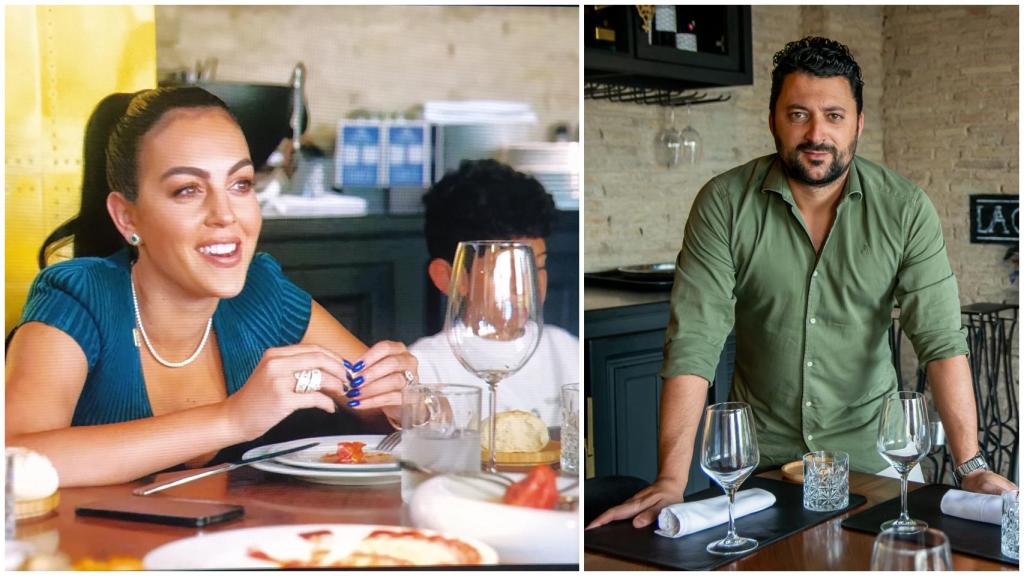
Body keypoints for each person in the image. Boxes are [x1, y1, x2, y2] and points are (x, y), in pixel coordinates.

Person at [588, 37, 1015, 530]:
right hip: (760, 472)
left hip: (877, 464)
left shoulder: (905, 208)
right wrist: (670, 479)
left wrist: (972, 466)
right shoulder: (724, 204)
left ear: (858, 123)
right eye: (798, 114)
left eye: (834, 115)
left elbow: (940, 341)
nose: (817, 133)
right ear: (772, 119)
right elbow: (694, 344)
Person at [5, 87, 418, 487]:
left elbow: (396, 411)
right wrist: (232, 418)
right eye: (188, 190)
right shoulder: (79, 297)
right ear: (127, 217)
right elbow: (15, 456)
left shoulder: (263, 294)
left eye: (240, 184)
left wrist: (404, 403)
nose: (225, 215)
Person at [409, 159, 578, 426]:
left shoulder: (566, 351)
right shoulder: (424, 368)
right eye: (507, 270)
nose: (527, 287)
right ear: (448, 278)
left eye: (540, 266)